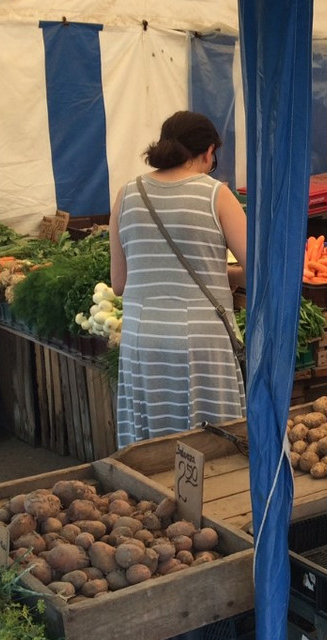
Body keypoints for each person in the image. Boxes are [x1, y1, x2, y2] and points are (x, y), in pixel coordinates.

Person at [108, 111, 248, 447]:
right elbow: (259, 270)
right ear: (208, 152)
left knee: (150, 445)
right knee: (212, 444)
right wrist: (226, 276)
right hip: (200, 342)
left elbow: (119, 284)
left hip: (143, 341)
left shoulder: (126, 195)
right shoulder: (216, 195)